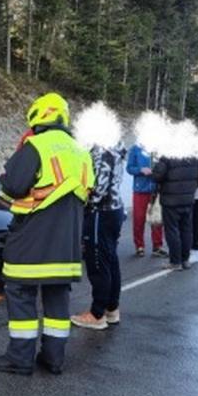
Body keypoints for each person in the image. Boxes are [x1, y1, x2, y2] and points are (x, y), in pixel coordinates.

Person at [0, 93, 93, 375]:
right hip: (67, 246)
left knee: (20, 293)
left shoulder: (36, 145)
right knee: (57, 300)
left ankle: (20, 359)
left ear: (38, 117)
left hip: (32, 241)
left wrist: (2, 176)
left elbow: (14, 185)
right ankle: (53, 358)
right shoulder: (81, 151)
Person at [71, 140, 127, 330]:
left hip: (100, 212)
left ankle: (97, 314)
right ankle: (112, 308)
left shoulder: (102, 151)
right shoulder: (115, 147)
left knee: (97, 263)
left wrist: (83, 201)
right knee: (110, 260)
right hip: (114, 209)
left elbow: (98, 189)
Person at [152, 150, 198, 271]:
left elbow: (157, 175)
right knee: (186, 229)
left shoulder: (168, 152)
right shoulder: (195, 151)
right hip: (188, 199)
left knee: (172, 230)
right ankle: (185, 259)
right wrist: (192, 186)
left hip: (170, 198)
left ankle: (175, 261)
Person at [126, 143, 167, 257]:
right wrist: (140, 170)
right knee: (139, 219)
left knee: (156, 219)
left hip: (155, 189)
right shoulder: (135, 148)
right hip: (140, 190)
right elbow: (129, 168)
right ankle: (139, 246)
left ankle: (157, 246)